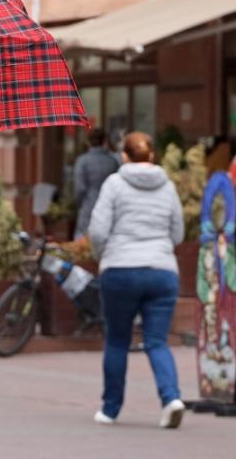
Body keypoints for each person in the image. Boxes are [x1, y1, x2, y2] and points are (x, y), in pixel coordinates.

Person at [88, 131, 186, 429]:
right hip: (162, 271)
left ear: (124, 156)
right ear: (152, 156)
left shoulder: (115, 184)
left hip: (120, 270)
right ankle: (171, 399)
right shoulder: (167, 186)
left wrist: (102, 255)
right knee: (157, 341)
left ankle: (110, 409)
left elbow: (97, 230)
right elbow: (178, 232)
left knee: (117, 340)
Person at [73, 128, 119, 239]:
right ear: (104, 141)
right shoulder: (112, 161)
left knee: (84, 238)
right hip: (109, 204)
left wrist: (78, 203)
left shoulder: (83, 161)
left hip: (89, 204)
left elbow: (79, 188)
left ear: (89, 142)